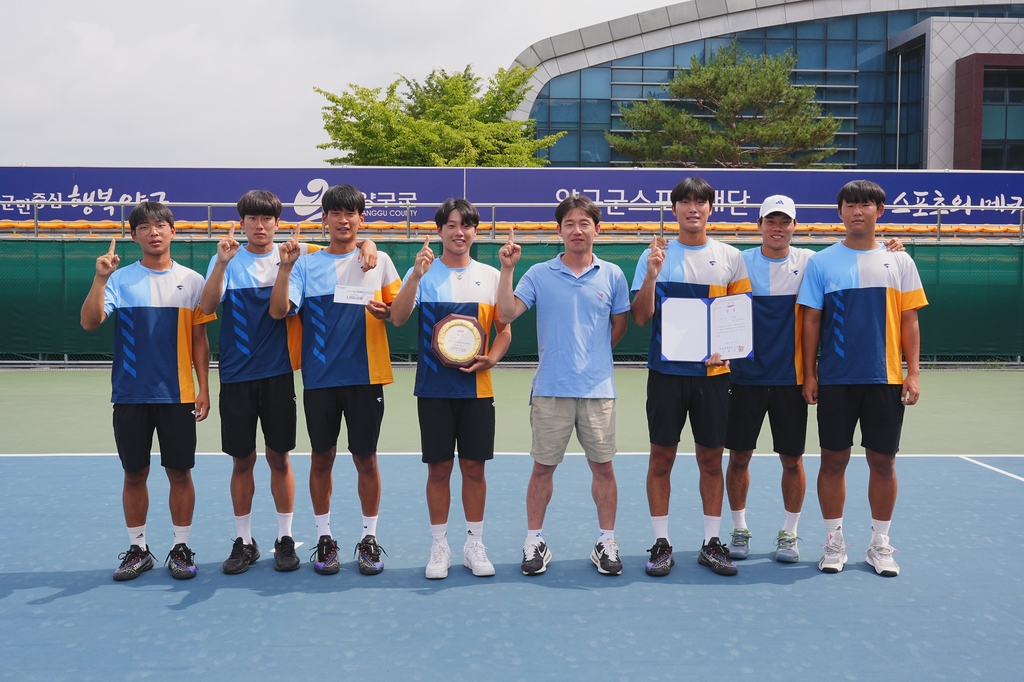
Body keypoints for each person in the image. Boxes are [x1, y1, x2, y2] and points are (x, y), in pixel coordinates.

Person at [200, 189, 376, 574]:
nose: (259, 226)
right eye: (252, 219)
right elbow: (209, 306)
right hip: (235, 376)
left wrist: (369, 241)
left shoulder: (299, 253)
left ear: (278, 224)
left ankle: (285, 538)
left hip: (280, 375)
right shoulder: (227, 258)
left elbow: (344, 243)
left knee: (280, 458)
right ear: (242, 222)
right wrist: (219, 264)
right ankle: (244, 542)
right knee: (242, 460)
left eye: (267, 219)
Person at [723, 195, 906, 564]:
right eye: (770, 221)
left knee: (792, 459)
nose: (777, 228)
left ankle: (789, 533)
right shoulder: (738, 261)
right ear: (759, 225)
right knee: (739, 455)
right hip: (743, 378)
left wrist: (891, 247)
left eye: (784, 221)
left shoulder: (811, 261)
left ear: (795, 226)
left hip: (791, 381)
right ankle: (739, 527)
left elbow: (858, 256)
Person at [269, 184, 400, 576]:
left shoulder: (380, 260)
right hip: (321, 380)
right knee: (321, 458)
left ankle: (369, 537)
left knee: (366, 459)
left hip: (366, 378)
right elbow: (279, 311)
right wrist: (286, 267)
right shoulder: (306, 263)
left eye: (352, 213)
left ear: (361, 218)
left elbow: (396, 314)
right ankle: (324, 538)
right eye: (336, 213)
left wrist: (384, 313)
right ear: (323, 219)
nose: (344, 220)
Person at [798, 179, 927, 577]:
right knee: (833, 460)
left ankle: (880, 543)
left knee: (883, 462)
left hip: (885, 379)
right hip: (836, 380)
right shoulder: (821, 263)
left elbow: (910, 320)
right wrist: (809, 373)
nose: (858, 211)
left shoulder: (900, 261)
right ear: (839, 213)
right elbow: (811, 321)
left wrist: (914, 373)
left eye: (866, 204)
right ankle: (834, 541)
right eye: (850, 205)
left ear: (879, 211)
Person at [80, 201, 215, 581]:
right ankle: (138, 549)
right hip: (130, 395)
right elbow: (90, 322)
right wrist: (100, 278)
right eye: (144, 227)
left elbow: (200, 340)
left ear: (173, 231)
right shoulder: (118, 279)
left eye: (160, 225)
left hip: (178, 395)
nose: (153, 232)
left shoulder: (192, 281)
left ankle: (181, 547)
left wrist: (204, 388)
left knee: (179, 473)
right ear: (134, 234)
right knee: (134, 473)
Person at [496, 194, 630, 577]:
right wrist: (507, 270)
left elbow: (618, 326)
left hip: (598, 391)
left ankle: (606, 541)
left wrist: (593, 356)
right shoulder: (537, 273)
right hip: (550, 389)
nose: (577, 229)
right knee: (542, 469)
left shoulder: (613, 275)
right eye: (569, 223)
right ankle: (534, 540)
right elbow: (506, 313)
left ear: (597, 230)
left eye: (584, 223)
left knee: (603, 468)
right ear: (559, 231)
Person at [630, 177, 751, 577]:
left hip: (713, 375)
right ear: (674, 209)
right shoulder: (655, 256)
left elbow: (739, 317)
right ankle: (661, 542)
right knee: (660, 458)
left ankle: (711, 542)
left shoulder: (731, 257)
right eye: (685, 202)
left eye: (701, 202)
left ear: (711, 209)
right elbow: (641, 317)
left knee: (711, 458)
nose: (693, 208)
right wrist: (651, 275)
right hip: (666, 374)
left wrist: (728, 349)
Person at [390, 199, 511, 579]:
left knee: (474, 468)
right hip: (433, 389)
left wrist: (492, 357)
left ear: (476, 231)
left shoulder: (491, 275)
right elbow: (397, 318)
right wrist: (414, 276)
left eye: (467, 225)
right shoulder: (424, 274)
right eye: (452, 225)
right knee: (439, 469)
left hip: (477, 390)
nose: (460, 232)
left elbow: (505, 327)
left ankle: (474, 543)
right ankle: (438, 545)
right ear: (440, 230)